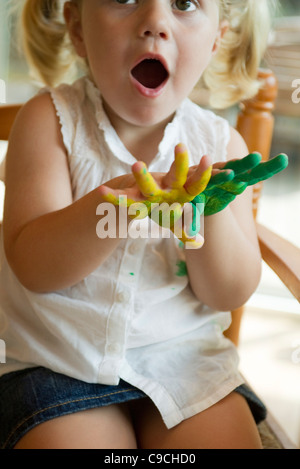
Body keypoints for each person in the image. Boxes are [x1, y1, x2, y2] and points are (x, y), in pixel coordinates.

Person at [0, 0, 275, 449]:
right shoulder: (47, 121)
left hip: (188, 367)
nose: (155, 23)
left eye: (185, 4)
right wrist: (115, 208)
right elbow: (34, 265)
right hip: (58, 366)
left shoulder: (219, 143)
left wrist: (208, 210)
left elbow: (228, 292)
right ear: (78, 28)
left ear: (215, 39)